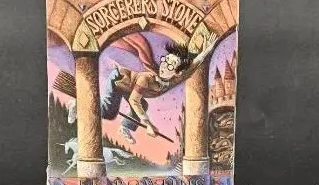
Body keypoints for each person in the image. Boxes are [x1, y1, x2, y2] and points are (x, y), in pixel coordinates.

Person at [67, 32, 217, 143]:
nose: (165, 65)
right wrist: (149, 124)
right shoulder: (147, 79)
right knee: (109, 111)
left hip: (129, 86)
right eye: (165, 60)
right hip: (118, 81)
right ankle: (78, 105)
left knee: (143, 105)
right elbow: (134, 100)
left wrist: (207, 50)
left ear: (178, 72)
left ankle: (125, 127)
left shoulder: (175, 79)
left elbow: (192, 66)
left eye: (171, 65)